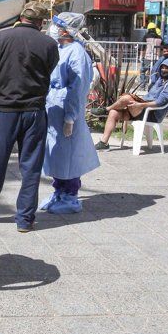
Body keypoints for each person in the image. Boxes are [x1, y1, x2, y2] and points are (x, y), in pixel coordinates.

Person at [0, 1, 59, 232]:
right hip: (34, 111)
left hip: (3, 110)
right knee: (30, 167)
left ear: (21, 17)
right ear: (40, 22)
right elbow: (49, 70)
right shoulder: (49, 44)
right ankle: (25, 220)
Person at [40, 13, 100, 214]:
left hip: (66, 107)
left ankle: (70, 195)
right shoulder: (59, 48)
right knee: (56, 152)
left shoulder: (76, 52)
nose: (53, 28)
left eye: (57, 25)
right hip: (53, 105)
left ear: (66, 30)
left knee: (69, 155)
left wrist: (70, 117)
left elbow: (78, 87)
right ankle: (59, 190)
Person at [93, 59, 168, 150]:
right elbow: (149, 96)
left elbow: (160, 102)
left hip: (152, 114)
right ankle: (104, 142)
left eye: (167, 68)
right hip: (140, 110)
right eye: (163, 67)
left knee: (126, 98)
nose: (164, 70)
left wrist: (140, 105)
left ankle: (105, 110)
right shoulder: (159, 81)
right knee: (114, 112)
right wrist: (137, 100)